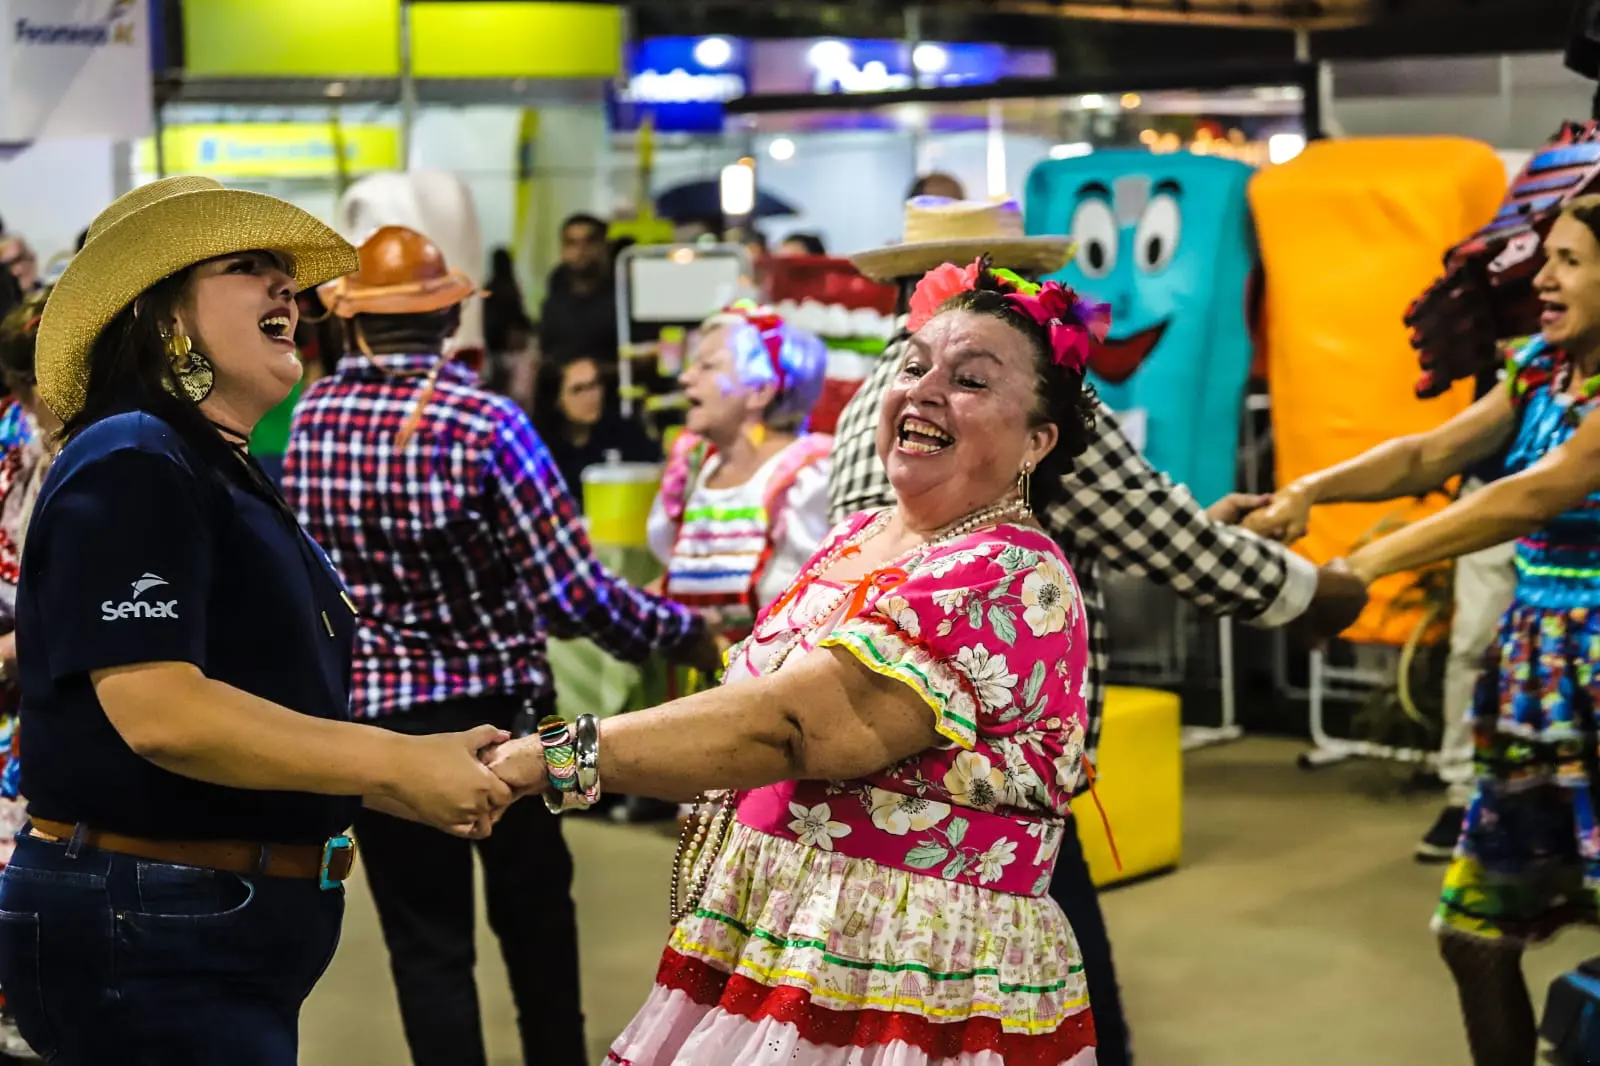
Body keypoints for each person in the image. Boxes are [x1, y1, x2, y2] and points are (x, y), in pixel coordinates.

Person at [488, 256, 1109, 1065]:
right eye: (913, 365)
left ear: (1037, 441)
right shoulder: (857, 535)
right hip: (787, 933)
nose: (923, 391)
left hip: (901, 964)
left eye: (970, 380)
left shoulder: (1007, 573)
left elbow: (793, 728)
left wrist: (555, 760)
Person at [830, 196, 1368, 1066]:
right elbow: (1155, 530)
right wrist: (1312, 595)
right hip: (988, 767)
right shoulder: (1016, 394)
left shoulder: (875, 398)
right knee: (1062, 1010)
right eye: (1014, 280)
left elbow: (1077, 525)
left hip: (871, 750)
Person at [0, 176, 510, 1066]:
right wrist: (394, 762)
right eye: (245, 266)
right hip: (154, 927)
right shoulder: (134, 456)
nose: (288, 287)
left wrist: (411, 775)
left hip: (195, 921)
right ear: (161, 316)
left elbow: (255, 694)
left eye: (286, 272)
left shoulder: (204, 462)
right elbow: (163, 713)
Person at [286, 224, 718, 1066]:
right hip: (519, 719)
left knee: (427, 945)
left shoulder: (312, 420)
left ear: (353, 322)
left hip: (379, 730)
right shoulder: (490, 422)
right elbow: (574, 594)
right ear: (452, 321)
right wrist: (685, 635)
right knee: (542, 919)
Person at [1252, 194, 1600, 1066]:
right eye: (1546, 258)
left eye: (1569, 262)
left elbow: (1538, 490)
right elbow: (1430, 453)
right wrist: (1310, 490)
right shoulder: (1541, 370)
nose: (1542, 278)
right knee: (1474, 936)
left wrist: (1363, 567)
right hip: (1539, 686)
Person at [648, 304, 831, 643]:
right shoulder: (694, 469)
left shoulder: (804, 478)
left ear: (760, 390)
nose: (686, 378)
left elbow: (825, 607)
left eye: (707, 366)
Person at [1415, 352, 1518, 863]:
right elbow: (1424, 453)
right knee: (1473, 645)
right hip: (1491, 485)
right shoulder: (1527, 357)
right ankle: (1464, 794)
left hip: (1580, 501)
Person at [531, 352, 659, 505]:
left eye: (595, 385)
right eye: (578, 389)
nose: (592, 396)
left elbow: (653, 469)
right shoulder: (541, 450)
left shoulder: (623, 431)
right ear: (556, 399)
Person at [540, 212, 617, 363]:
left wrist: (601, 369)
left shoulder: (623, 298)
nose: (580, 251)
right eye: (572, 243)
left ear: (604, 247)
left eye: (589, 242)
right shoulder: (555, 299)